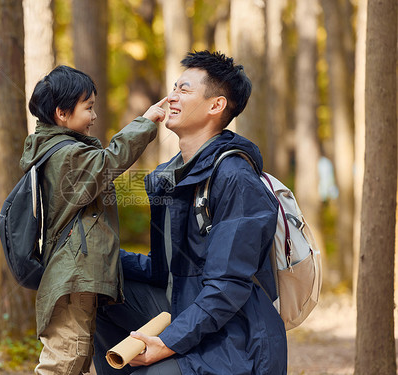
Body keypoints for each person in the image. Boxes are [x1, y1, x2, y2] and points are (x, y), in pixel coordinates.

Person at [93, 51, 288, 374]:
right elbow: (164, 269)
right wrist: (101, 255)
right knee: (99, 286)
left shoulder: (236, 178)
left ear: (216, 105)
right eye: (174, 88)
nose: (171, 97)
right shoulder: (170, 176)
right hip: (184, 308)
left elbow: (227, 288)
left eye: (184, 90)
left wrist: (167, 343)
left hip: (235, 337)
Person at [20, 65, 166, 375]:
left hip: (75, 277)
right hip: (72, 277)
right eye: (88, 108)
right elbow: (109, 161)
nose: (94, 116)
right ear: (62, 112)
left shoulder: (59, 151)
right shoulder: (66, 155)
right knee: (64, 361)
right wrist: (146, 121)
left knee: (78, 360)